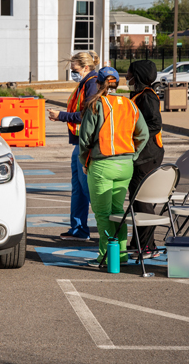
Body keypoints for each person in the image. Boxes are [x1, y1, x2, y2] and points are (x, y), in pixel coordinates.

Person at [78, 67, 149, 268]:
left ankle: (106, 256)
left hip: (102, 164)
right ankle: (122, 254)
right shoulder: (129, 104)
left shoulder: (95, 105)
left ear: (99, 83)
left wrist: (84, 162)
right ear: (117, 83)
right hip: (125, 165)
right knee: (118, 211)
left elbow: (84, 140)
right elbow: (143, 134)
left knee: (102, 214)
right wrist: (132, 154)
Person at [46, 51, 101, 242]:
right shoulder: (85, 83)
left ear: (86, 67)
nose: (73, 72)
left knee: (87, 189)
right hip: (79, 143)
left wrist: (60, 116)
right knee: (78, 188)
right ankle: (78, 229)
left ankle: (107, 231)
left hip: (86, 145)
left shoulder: (92, 83)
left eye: (75, 69)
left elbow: (87, 114)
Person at [124, 60, 165, 259]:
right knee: (136, 200)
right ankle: (137, 243)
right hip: (139, 154)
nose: (126, 77)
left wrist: (137, 136)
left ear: (137, 75)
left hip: (148, 155)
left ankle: (148, 246)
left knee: (143, 200)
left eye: (129, 74)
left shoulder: (148, 97)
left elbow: (154, 124)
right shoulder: (137, 95)